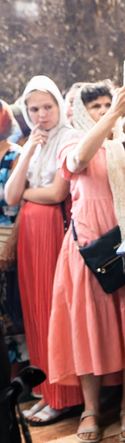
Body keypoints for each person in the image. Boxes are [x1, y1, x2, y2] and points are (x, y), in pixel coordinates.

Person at [47, 81, 125, 443]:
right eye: (95, 106)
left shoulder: (124, 146)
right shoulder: (72, 143)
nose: (101, 110)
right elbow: (78, 160)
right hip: (86, 252)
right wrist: (115, 111)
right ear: (83, 112)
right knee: (87, 327)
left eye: (104, 104)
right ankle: (91, 409)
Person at [4, 76, 84, 424]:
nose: (40, 114)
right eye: (33, 109)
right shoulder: (32, 142)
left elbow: (55, 194)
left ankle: (65, 394)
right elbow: (9, 195)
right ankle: (45, 389)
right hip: (30, 235)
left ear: (58, 105)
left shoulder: (69, 138)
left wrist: (24, 194)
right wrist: (30, 152)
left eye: (47, 106)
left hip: (54, 228)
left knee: (55, 311)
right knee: (35, 307)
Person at [0, 102, 27, 376]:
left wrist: (11, 245)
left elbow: (23, 205)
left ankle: (17, 381)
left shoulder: (15, 154)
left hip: (9, 235)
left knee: (12, 310)